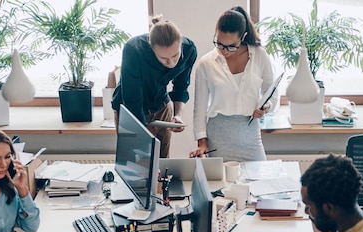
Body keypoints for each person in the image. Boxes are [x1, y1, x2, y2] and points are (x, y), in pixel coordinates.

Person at [190, 6, 277, 162]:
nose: (224, 50)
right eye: (219, 43)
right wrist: (202, 142)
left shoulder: (259, 56)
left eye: (231, 46)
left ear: (243, 37)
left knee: (259, 183)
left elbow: (272, 92)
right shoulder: (206, 63)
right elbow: (200, 109)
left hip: (250, 137)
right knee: (219, 185)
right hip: (218, 138)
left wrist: (266, 106)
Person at [111, 16, 197, 158]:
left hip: (161, 106)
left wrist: (177, 115)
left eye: (175, 56)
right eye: (164, 59)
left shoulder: (190, 50)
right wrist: (142, 142)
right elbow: (133, 101)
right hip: (131, 109)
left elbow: (181, 87)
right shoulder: (134, 50)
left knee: (163, 162)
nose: (171, 62)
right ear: (152, 49)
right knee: (138, 164)